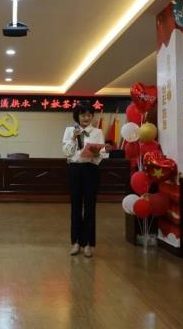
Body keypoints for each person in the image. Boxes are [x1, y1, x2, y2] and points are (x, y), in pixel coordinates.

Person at [62, 103, 111, 258]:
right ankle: (76, 242)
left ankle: (88, 244)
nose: (86, 118)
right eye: (83, 115)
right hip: (74, 170)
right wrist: (73, 138)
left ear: (92, 117)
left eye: (89, 115)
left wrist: (99, 153)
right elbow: (66, 152)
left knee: (90, 207)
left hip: (91, 170)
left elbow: (102, 154)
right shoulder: (69, 130)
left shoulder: (97, 132)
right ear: (77, 116)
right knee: (75, 206)